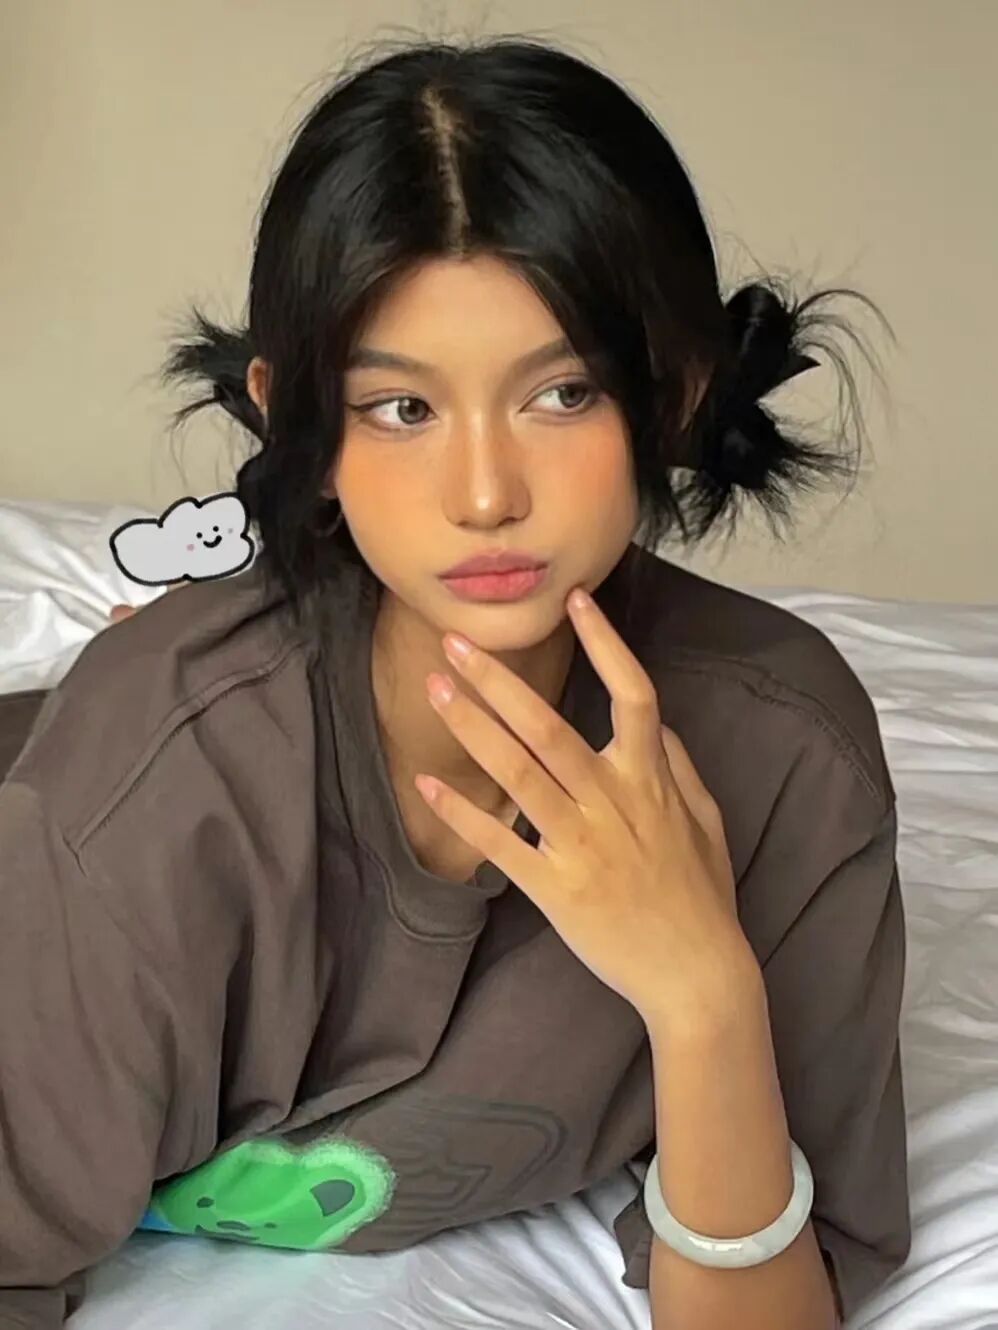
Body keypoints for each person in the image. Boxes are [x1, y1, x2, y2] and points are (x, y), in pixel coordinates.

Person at [0, 29, 910, 1330]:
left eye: (563, 393)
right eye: (402, 409)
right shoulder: (160, 783)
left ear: (671, 394)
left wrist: (701, 994)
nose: (485, 494)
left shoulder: (785, 755)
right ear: (298, 423)